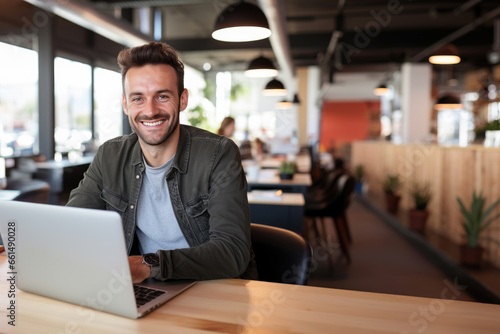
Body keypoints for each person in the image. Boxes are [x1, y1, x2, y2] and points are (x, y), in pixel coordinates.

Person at [66, 42, 257, 283]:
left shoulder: (219, 154)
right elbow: (70, 228)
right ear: (125, 104)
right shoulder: (110, 156)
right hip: (141, 289)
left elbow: (233, 252)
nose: (151, 110)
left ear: (182, 99)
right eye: (138, 98)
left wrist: (149, 265)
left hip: (212, 289)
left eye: (162, 96)